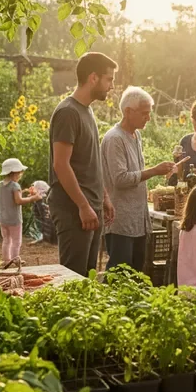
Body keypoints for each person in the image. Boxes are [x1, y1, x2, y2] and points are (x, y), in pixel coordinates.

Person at [48, 52, 118, 277]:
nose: (112, 86)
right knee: (72, 279)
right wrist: (83, 205)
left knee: (86, 278)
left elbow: (89, 162)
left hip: (90, 207)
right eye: (109, 79)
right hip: (73, 210)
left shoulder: (85, 110)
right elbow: (61, 165)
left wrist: (103, 197)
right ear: (93, 78)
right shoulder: (68, 112)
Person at [101, 86, 175, 271]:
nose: (148, 118)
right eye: (144, 113)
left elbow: (135, 172)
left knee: (137, 271)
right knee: (120, 273)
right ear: (128, 111)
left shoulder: (136, 135)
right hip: (120, 219)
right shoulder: (114, 138)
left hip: (138, 218)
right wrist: (154, 171)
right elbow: (120, 178)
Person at [0, 158, 42, 263]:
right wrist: (32, 198)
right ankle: (15, 260)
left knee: (6, 240)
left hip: (3, 219)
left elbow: (9, 198)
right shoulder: (15, 185)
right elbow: (18, 201)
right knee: (16, 241)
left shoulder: (0, 185)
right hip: (14, 219)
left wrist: (24, 192)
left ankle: (6, 260)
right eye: (19, 173)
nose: (20, 175)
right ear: (15, 172)